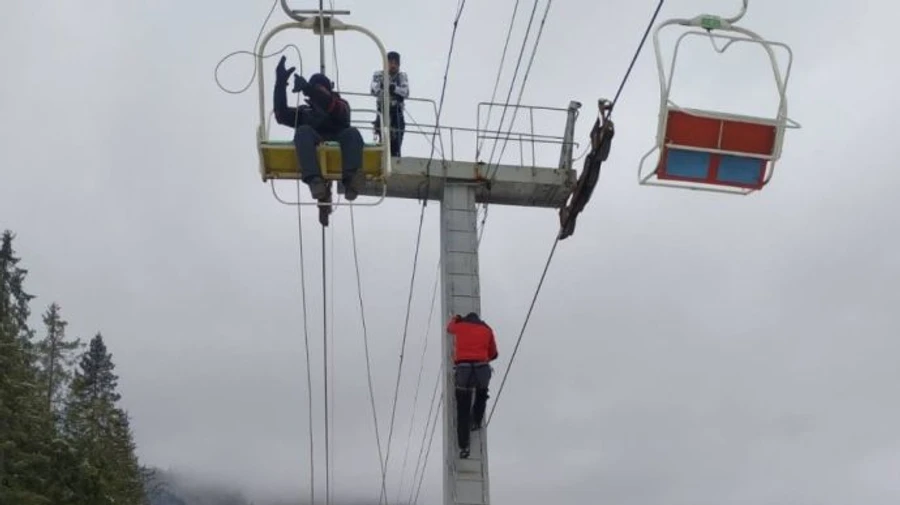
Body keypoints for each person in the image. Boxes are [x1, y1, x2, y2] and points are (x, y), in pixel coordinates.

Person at [273, 55, 366, 203]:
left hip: (339, 136)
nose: (318, 91)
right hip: (315, 139)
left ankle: (352, 180)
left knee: (352, 133)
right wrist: (280, 83)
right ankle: (315, 180)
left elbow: (336, 110)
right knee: (302, 131)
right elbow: (281, 115)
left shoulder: (340, 104)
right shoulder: (305, 112)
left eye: (321, 89)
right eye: (316, 88)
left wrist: (310, 90)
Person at [446, 312, 499, 459]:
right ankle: (476, 421)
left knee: (462, 408)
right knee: (482, 394)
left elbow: (449, 328)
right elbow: (494, 354)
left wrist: (455, 319)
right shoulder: (487, 329)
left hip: (463, 370)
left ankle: (464, 447)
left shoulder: (460, 326)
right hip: (482, 369)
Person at [369, 51, 409, 157]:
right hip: (382, 110)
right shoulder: (378, 75)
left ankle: (395, 154)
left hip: (397, 112)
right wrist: (383, 86)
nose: (393, 65)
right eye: (391, 62)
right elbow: (373, 90)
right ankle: (383, 153)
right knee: (383, 135)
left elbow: (406, 92)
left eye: (396, 63)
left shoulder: (402, 76)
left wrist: (394, 88)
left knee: (397, 138)